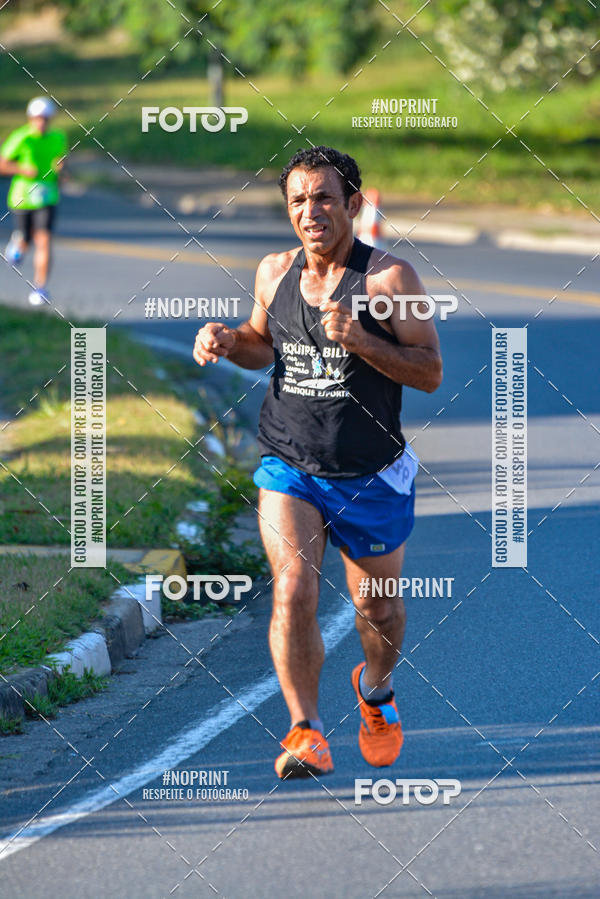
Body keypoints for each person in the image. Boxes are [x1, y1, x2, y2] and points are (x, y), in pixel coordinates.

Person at [193, 146, 442, 779]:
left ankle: (377, 694)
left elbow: (431, 372)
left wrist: (361, 339)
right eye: (299, 200)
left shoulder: (391, 280)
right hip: (290, 462)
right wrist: (227, 341)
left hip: (371, 475)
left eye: (325, 197)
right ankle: (305, 731)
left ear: (353, 204)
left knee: (378, 609)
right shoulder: (274, 271)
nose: (311, 211)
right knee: (295, 588)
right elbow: (259, 345)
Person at [0, 96, 68, 306]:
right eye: (38, 119)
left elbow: (61, 160)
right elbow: (2, 164)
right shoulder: (21, 138)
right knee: (25, 241)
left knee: (44, 240)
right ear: (31, 118)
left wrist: (62, 168)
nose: (41, 123)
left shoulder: (58, 137)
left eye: (45, 119)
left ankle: (40, 288)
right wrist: (21, 169)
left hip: (47, 196)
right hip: (22, 198)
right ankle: (17, 244)